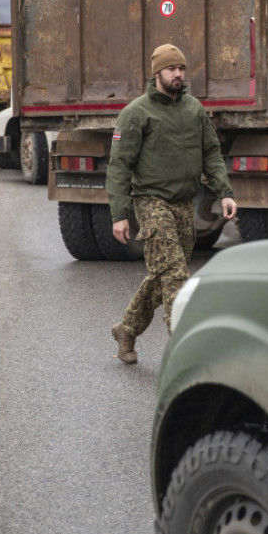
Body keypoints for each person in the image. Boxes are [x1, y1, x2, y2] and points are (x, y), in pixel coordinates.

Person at [106, 44, 237, 364]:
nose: (178, 74)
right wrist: (120, 214)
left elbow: (211, 154)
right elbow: (119, 166)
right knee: (176, 275)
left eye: (181, 68)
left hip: (183, 204)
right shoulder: (136, 113)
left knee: (164, 273)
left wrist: (225, 192)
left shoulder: (194, 109)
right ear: (157, 73)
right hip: (150, 202)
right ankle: (186, 350)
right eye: (171, 69)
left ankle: (127, 328)